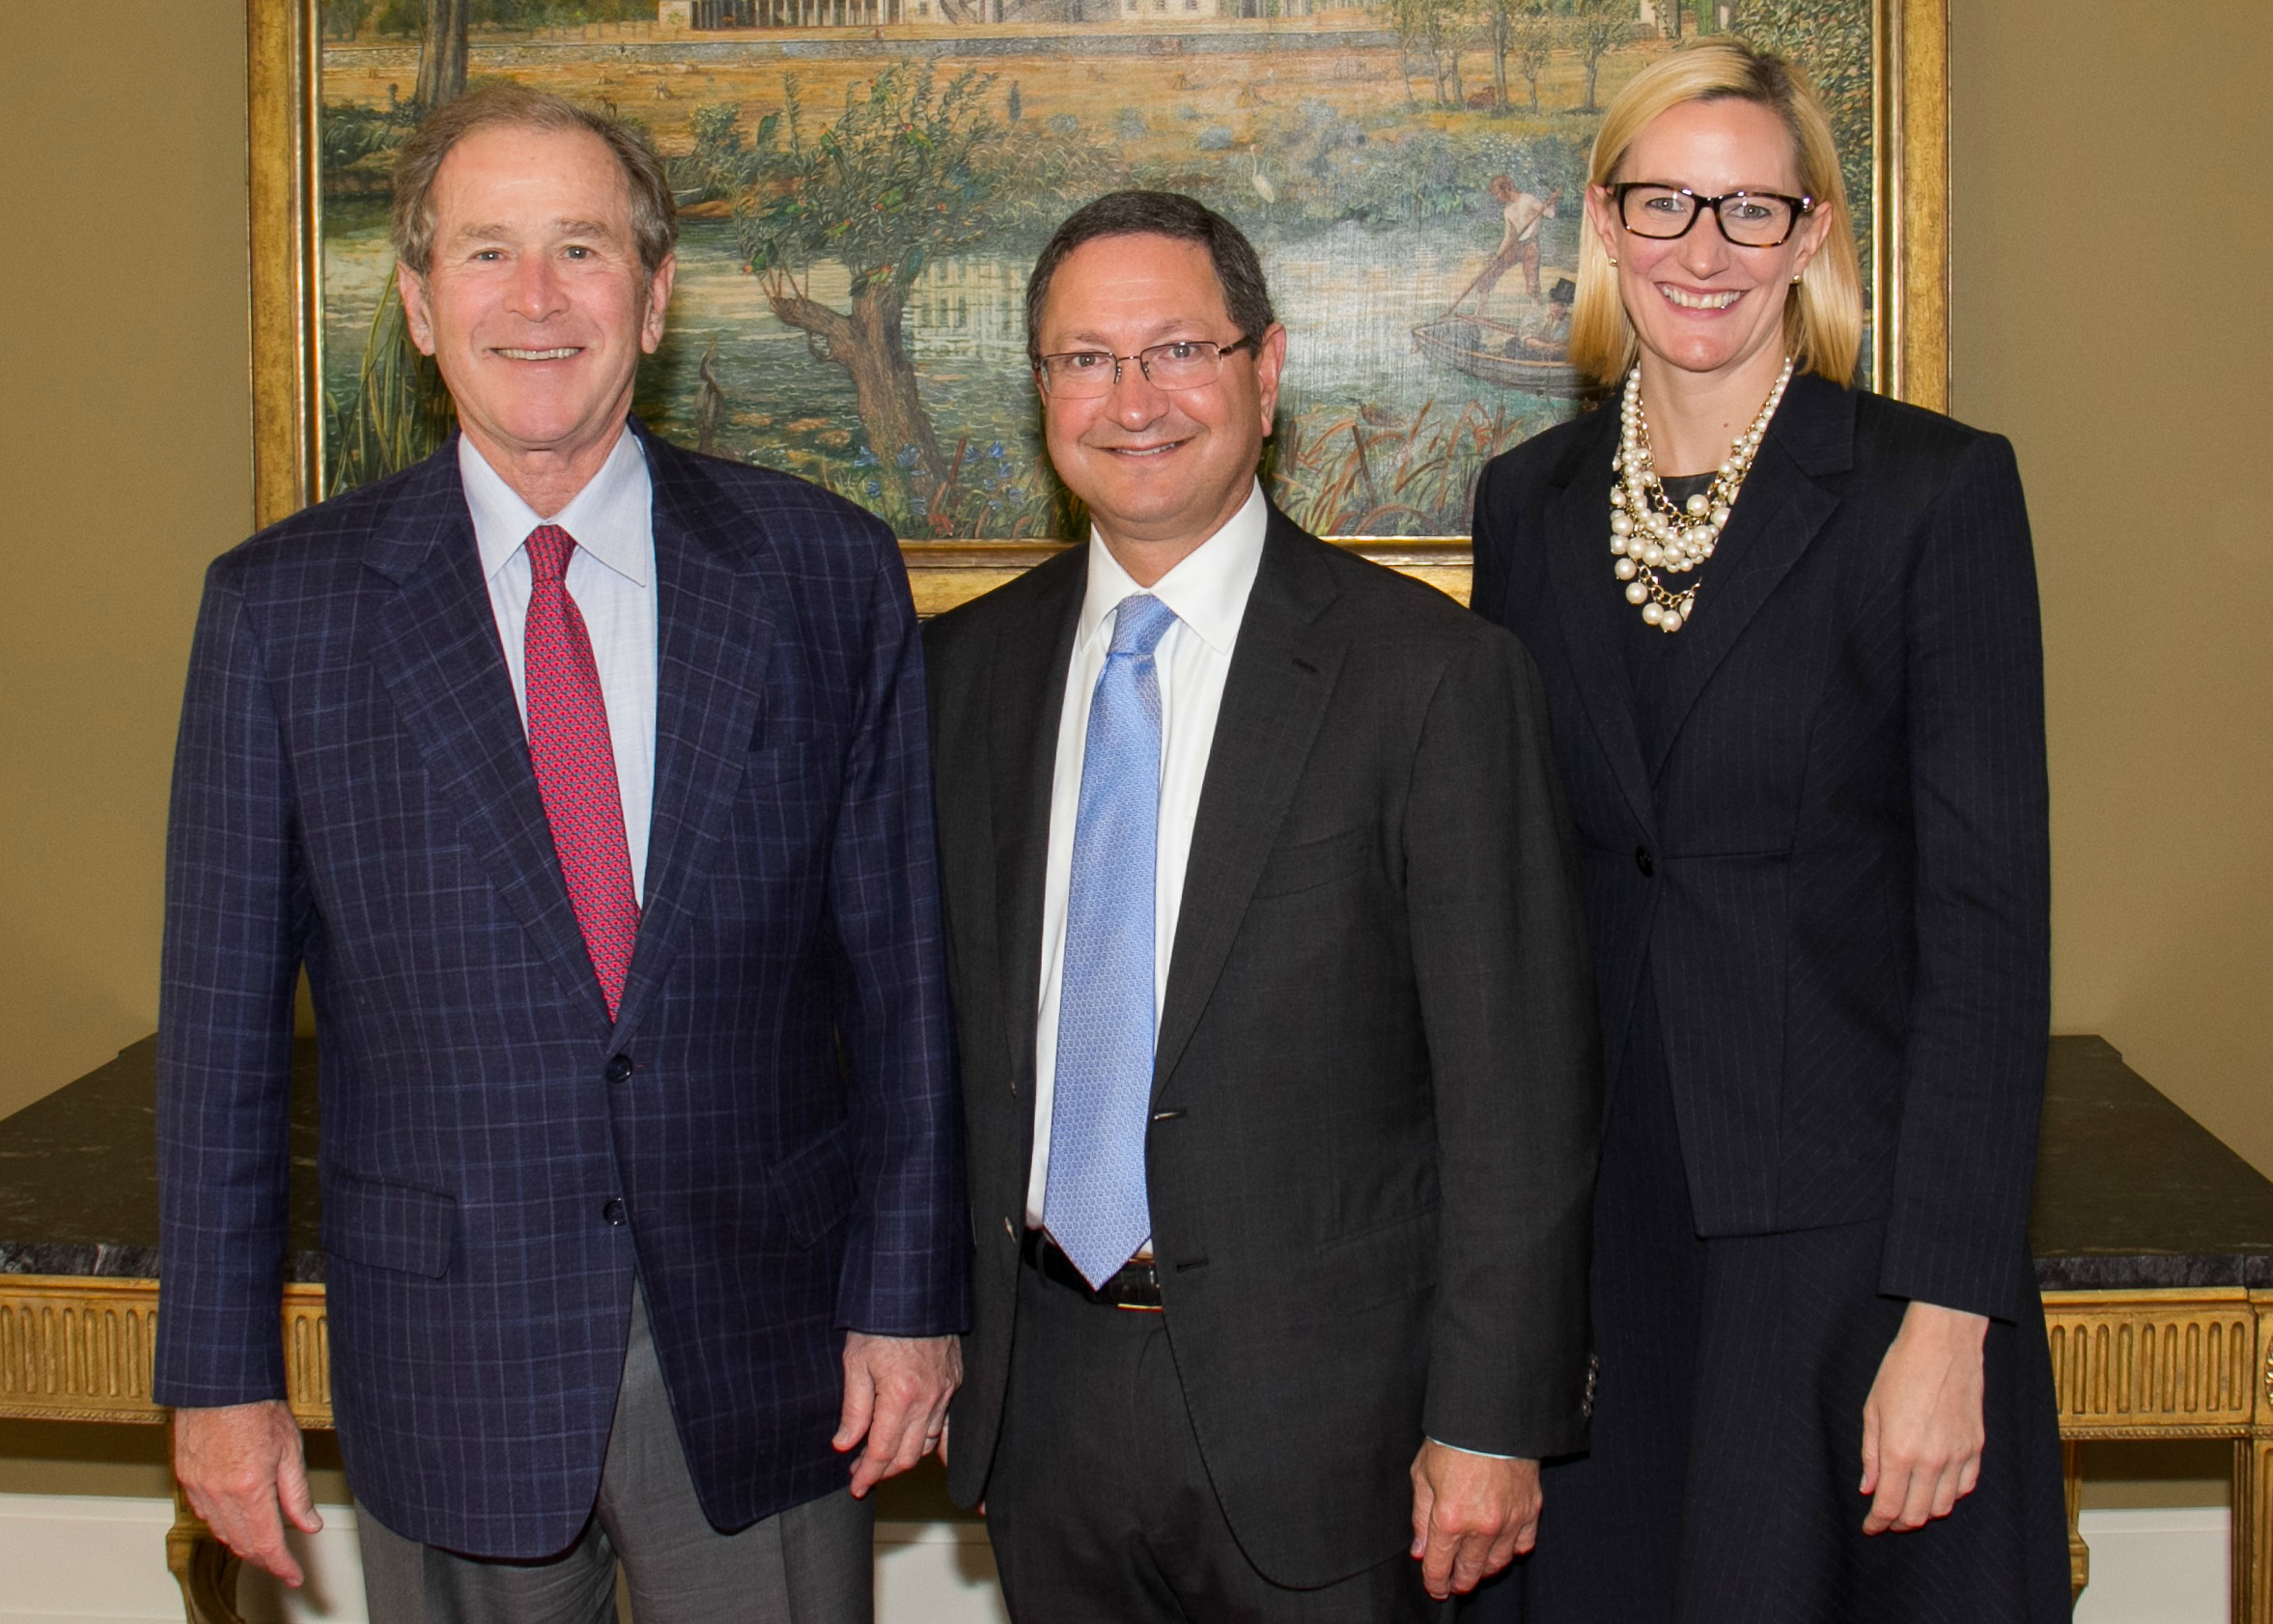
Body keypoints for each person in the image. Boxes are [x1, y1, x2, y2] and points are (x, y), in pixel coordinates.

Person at [155, 84, 968, 1624]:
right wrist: (218, 1378)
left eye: (582, 249)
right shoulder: (283, 612)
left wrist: (910, 1299)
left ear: (654, 298)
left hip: (764, 1335)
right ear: (414, 302)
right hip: (447, 1350)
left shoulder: (820, 571)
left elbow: (903, 984)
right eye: (485, 253)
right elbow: (220, 1036)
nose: (535, 300)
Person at [923, 189, 1602, 1620]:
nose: (1133, 401)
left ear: (1266, 371)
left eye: (1177, 348)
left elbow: (1516, 1094)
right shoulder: (959, 679)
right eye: (1084, 360)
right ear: (1041, 387)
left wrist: (1492, 1416)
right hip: (1045, 1397)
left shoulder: (1429, 679)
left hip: (1333, 1425)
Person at [1462, 42, 2069, 1622]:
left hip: (1839, 1254)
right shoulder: (1522, 506)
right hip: (1600, 1246)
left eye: (1748, 209)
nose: (1702, 249)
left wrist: (1946, 1319)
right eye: (1662, 203)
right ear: (1601, 222)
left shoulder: (1928, 495)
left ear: (1808, 236)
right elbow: (1514, 891)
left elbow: (1986, 938)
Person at [1457, 179, 1562, 312]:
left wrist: (1553, 201)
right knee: (1489, 275)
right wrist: (1497, 255)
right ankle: (1479, 314)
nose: (1497, 197)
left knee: (1532, 286)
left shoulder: (1528, 200)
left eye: (1497, 193)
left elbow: (1550, 214)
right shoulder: (1508, 210)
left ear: (1506, 189)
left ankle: (1538, 318)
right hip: (1515, 245)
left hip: (1531, 245)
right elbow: (1508, 237)